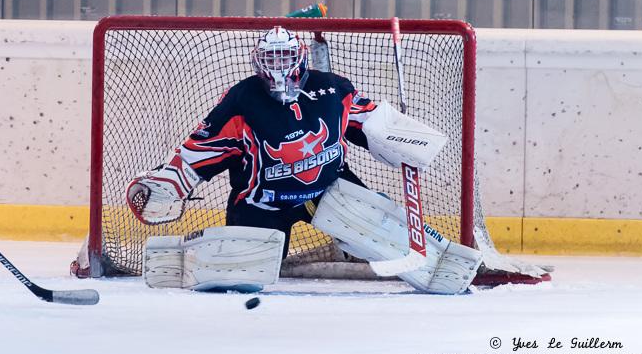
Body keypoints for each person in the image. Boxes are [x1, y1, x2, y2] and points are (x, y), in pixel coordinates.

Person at [125, 26, 483, 295]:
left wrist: (398, 134)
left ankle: (444, 266)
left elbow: (365, 119)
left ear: (299, 58)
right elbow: (204, 147)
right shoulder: (241, 99)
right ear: (258, 61)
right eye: (270, 59)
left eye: (284, 58)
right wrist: (173, 180)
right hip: (260, 202)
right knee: (239, 273)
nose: (278, 67)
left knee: (379, 227)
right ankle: (177, 258)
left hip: (327, 190)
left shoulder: (334, 89)